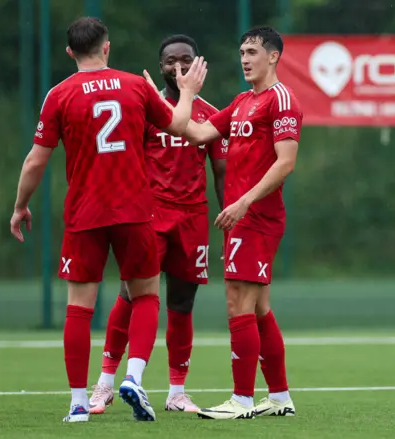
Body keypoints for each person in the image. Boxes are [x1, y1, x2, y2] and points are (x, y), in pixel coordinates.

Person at [9, 17, 207, 423]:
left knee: (79, 309)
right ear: (107, 48)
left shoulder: (59, 95)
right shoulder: (136, 86)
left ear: (70, 53)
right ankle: (133, 377)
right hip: (135, 210)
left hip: (85, 213)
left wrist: (20, 206)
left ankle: (79, 403)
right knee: (148, 296)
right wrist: (186, 93)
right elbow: (179, 124)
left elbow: (35, 161)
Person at [148, 26, 301, 420]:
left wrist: (244, 202)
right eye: (241, 52)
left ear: (273, 56)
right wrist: (177, 99)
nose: (245, 59)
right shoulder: (242, 102)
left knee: (238, 303)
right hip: (242, 218)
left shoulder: (281, 100)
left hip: (256, 217)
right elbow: (196, 132)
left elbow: (286, 162)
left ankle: (242, 400)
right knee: (260, 308)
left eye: (252, 51)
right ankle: (280, 397)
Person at [88, 34, 227, 415]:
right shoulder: (145, 109)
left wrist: (228, 213)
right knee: (131, 296)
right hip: (149, 215)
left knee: (182, 303)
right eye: (170, 61)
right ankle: (103, 384)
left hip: (193, 217)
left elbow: (220, 171)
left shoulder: (211, 114)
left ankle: (176, 392)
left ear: (199, 65)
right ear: (160, 65)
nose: (178, 67)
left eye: (186, 60)